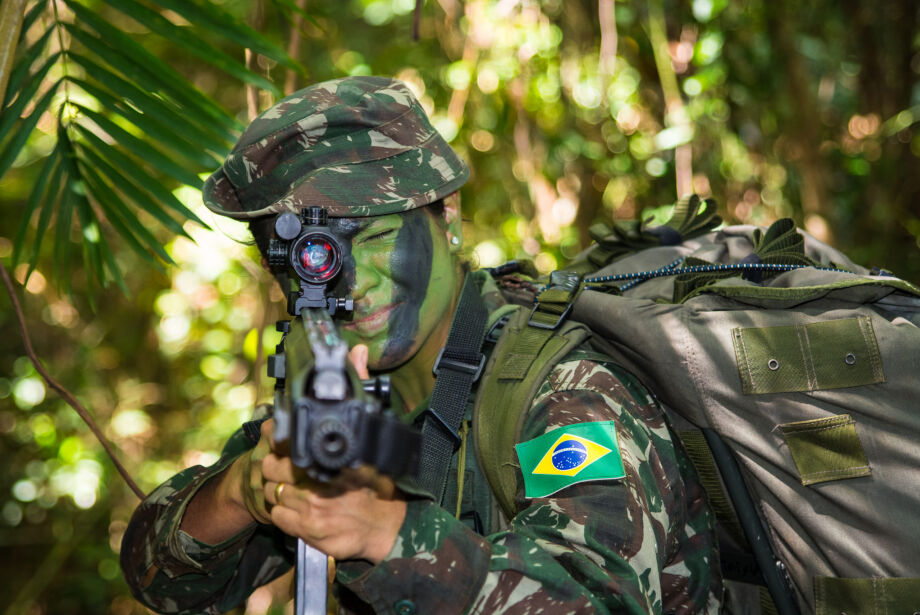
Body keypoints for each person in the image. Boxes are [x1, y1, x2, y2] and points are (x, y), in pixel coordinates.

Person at [120, 76, 723, 614]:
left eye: (378, 236)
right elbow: (162, 581)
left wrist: (386, 533)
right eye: (314, 260)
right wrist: (243, 489)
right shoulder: (335, 384)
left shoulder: (564, 391)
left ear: (449, 216)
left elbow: (596, 598)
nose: (351, 285)